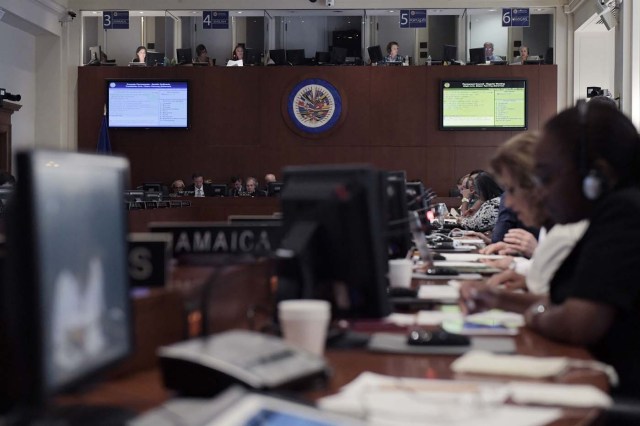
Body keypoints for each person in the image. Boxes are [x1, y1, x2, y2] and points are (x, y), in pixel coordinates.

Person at [460, 100, 640, 397]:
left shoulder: (624, 214)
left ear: (594, 178)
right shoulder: (612, 213)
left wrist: (534, 315)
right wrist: (497, 298)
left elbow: (576, 323)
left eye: (546, 177)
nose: (540, 191)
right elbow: (572, 302)